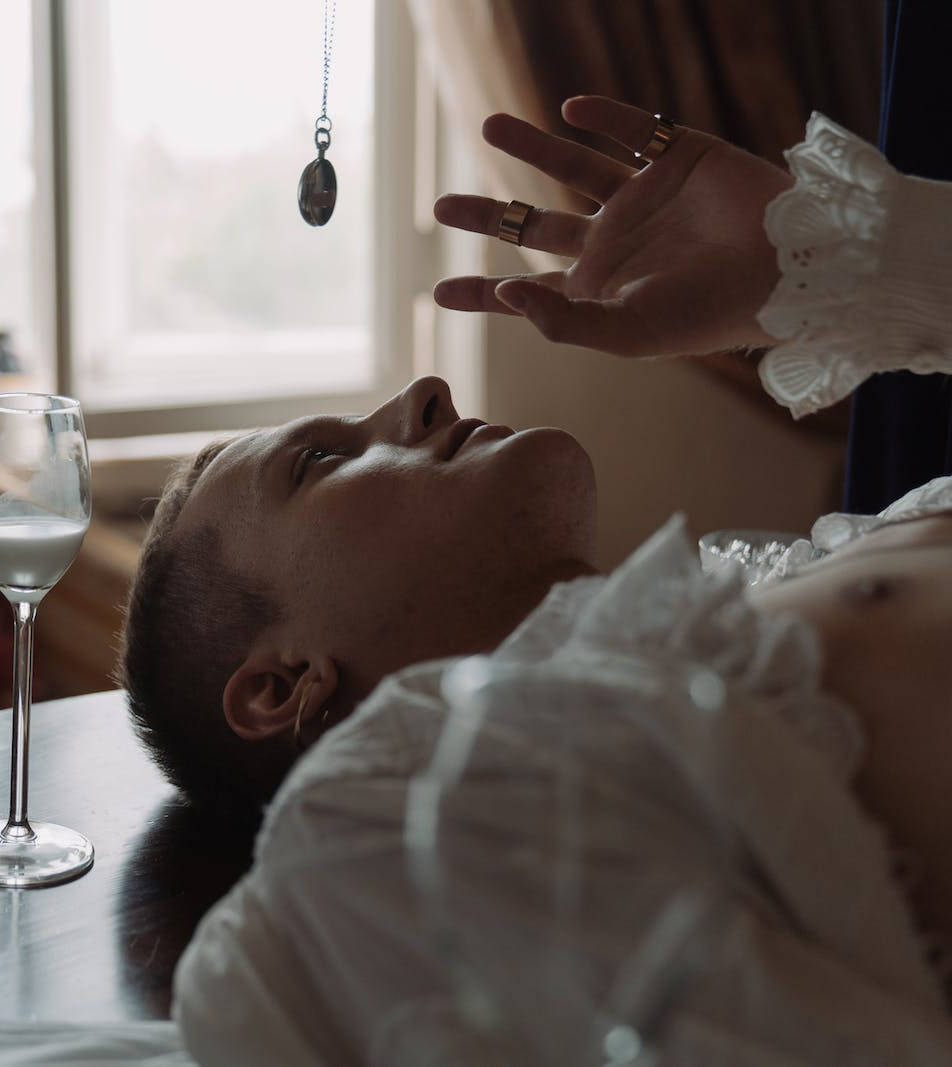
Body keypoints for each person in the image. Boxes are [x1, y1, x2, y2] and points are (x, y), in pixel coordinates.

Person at [118, 96, 952, 1063]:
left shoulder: (764, 590)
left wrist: (876, 264)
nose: (423, 392)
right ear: (283, 684)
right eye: (319, 462)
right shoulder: (399, 830)